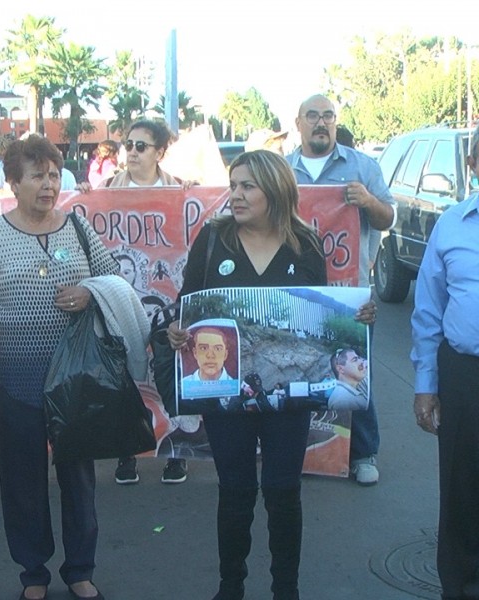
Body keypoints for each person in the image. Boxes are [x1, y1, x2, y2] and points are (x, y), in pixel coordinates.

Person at [0, 135, 118, 600]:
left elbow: (112, 281)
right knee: (22, 482)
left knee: (78, 478)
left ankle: (80, 570)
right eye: (37, 176)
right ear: (13, 183)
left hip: (77, 380)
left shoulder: (79, 228)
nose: (49, 186)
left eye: (53, 175)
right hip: (16, 380)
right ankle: (33, 574)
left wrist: (88, 293)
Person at [167, 150, 328, 600]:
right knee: (235, 490)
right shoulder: (215, 238)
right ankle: (230, 587)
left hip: (288, 394)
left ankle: (286, 589)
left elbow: (320, 319)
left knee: (282, 490)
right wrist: (178, 331)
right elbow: (187, 302)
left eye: (246, 187)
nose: (234, 195)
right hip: (226, 393)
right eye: (233, 185)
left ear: (274, 191)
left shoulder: (306, 244)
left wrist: (358, 320)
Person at [287, 93, 394, 486]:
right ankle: (309, 452)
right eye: (312, 115)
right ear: (298, 122)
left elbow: (387, 217)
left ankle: (364, 453)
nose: (321, 122)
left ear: (336, 122)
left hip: (351, 293)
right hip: (296, 291)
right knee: (301, 369)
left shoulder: (362, 167)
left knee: (355, 373)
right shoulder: (281, 170)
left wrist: (366, 200)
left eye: (328, 116)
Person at [99, 119, 191, 485]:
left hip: (168, 304)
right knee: (126, 378)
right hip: (122, 303)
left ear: (160, 153)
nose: (132, 153)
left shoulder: (181, 191)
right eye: (128, 145)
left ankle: (177, 453)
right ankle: (127, 452)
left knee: (170, 377)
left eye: (141, 146)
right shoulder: (105, 191)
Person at [410, 123, 479, 600]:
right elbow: (428, 311)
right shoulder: (452, 224)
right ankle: (461, 586)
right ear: (474, 165)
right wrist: (425, 383)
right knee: (462, 488)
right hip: (465, 374)